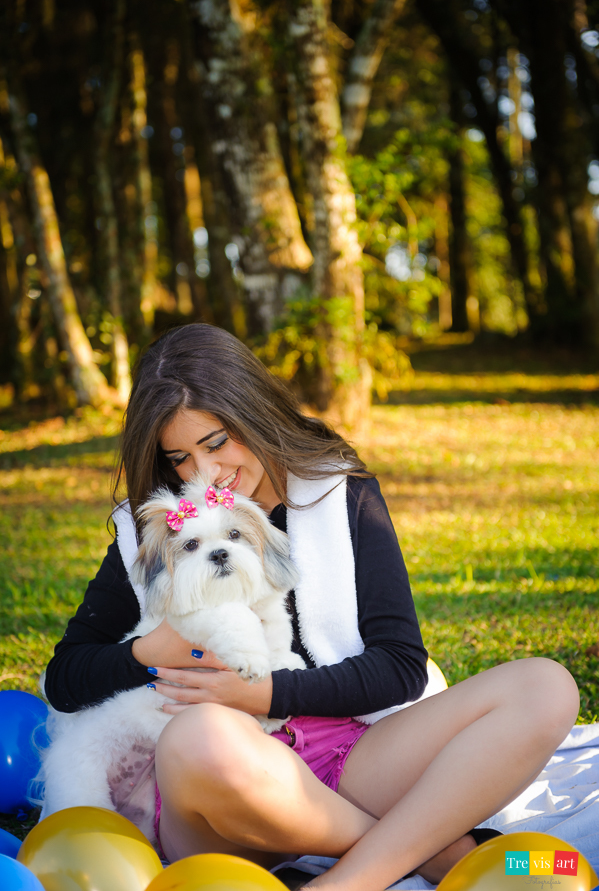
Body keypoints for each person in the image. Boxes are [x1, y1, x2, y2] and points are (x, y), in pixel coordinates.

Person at [44, 323, 579, 890]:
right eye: (180, 457)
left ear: (253, 412)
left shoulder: (338, 496)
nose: (206, 473)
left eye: (218, 441)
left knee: (545, 686)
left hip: (344, 753)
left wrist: (264, 692)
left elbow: (399, 664)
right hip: (224, 792)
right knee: (199, 737)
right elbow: (65, 678)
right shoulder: (157, 537)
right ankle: (430, 854)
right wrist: (152, 652)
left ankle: (346, 880)